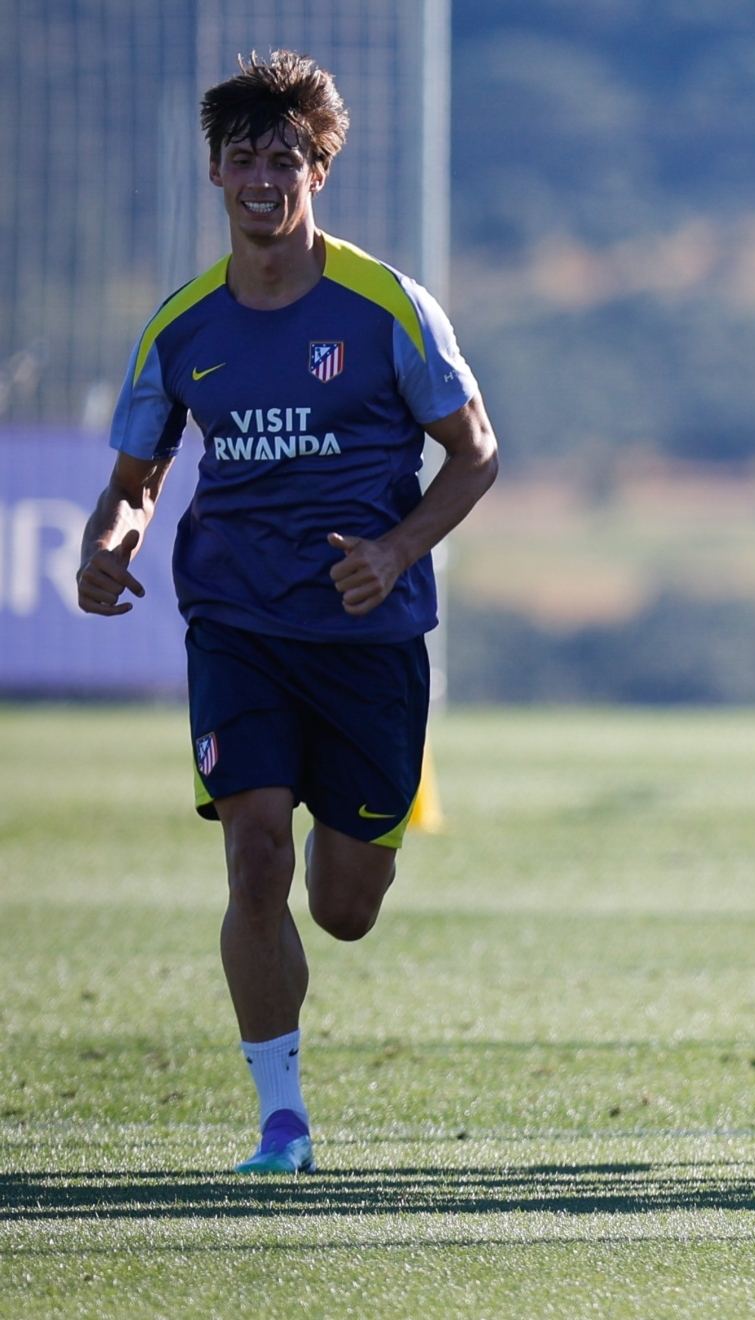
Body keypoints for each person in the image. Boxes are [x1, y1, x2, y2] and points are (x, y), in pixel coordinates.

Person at [75, 52, 498, 1174]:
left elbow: (476, 454)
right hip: (237, 626)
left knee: (345, 904)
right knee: (254, 864)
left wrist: (398, 550)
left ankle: (343, 882)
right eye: (244, 159)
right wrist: (105, 551)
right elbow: (133, 483)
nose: (264, 179)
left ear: (320, 171)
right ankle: (282, 1120)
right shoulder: (183, 327)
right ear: (215, 171)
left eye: (286, 160)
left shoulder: (387, 305)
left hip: (369, 638)